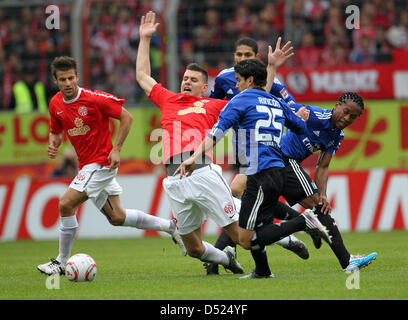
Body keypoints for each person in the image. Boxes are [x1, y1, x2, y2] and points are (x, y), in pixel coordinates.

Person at [175, 58, 331, 279]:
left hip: (259, 172)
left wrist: (194, 156)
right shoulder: (276, 102)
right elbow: (300, 127)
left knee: (246, 238)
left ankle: (303, 222)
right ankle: (263, 271)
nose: (235, 85)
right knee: (254, 224)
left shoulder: (239, 101)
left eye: (238, 81)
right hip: (278, 169)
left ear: (249, 80)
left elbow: (217, 132)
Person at [37, 56, 186, 276]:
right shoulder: (55, 104)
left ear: (77, 77)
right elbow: (56, 129)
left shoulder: (94, 99)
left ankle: (61, 262)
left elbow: (127, 117)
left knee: (65, 204)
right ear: (56, 81)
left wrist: (116, 148)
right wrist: (54, 142)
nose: (68, 83)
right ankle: (170, 227)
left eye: (71, 78)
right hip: (87, 165)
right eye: (63, 79)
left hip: (101, 163)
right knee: (117, 217)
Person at [135, 11, 243, 274]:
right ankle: (227, 260)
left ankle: (288, 237)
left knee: (241, 235)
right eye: (185, 78)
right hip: (175, 180)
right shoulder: (168, 99)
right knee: (193, 248)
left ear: (204, 88)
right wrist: (145, 39)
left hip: (202, 171)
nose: (186, 81)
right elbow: (141, 76)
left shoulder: (214, 105)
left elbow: (248, 105)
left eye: (193, 80)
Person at [206, 37, 309, 275]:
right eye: (238, 54)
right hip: (241, 151)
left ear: (256, 58)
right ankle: (273, 254)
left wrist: (299, 112)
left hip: (261, 155)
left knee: (235, 194)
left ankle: (222, 254)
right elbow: (213, 107)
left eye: (247, 55)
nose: (242, 59)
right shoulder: (223, 78)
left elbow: (286, 105)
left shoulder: (265, 84)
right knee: (250, 207)